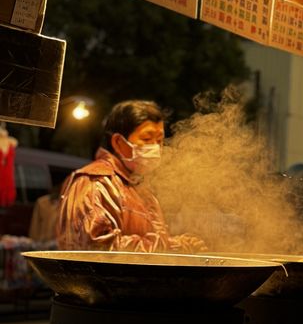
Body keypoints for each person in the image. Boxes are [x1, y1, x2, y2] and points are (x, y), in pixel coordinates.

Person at [57, 100, 206, 253]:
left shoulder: (141, 190)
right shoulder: (96, 182)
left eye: (159, 141)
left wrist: (174, 244)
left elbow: (156, 245)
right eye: (147, 139)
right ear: (118, 142)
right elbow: (96, 247)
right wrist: (172, 246)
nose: (155, 147)